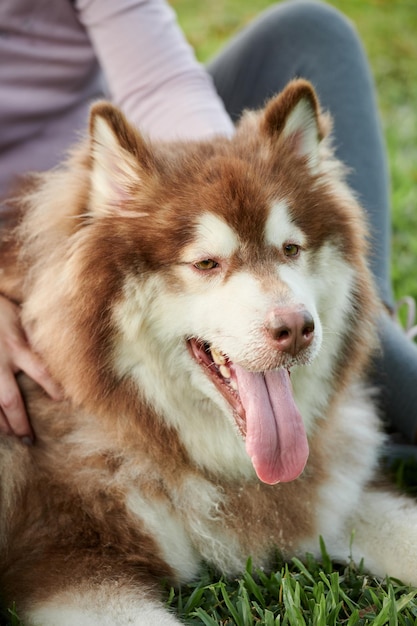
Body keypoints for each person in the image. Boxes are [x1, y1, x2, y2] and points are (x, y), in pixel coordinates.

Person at [1, 0, 416, 448]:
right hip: (48, 225)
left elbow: (158, 82)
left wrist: (222, 182)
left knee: (312, 31)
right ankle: (392, 390)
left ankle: (375, 346)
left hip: (128, 163)